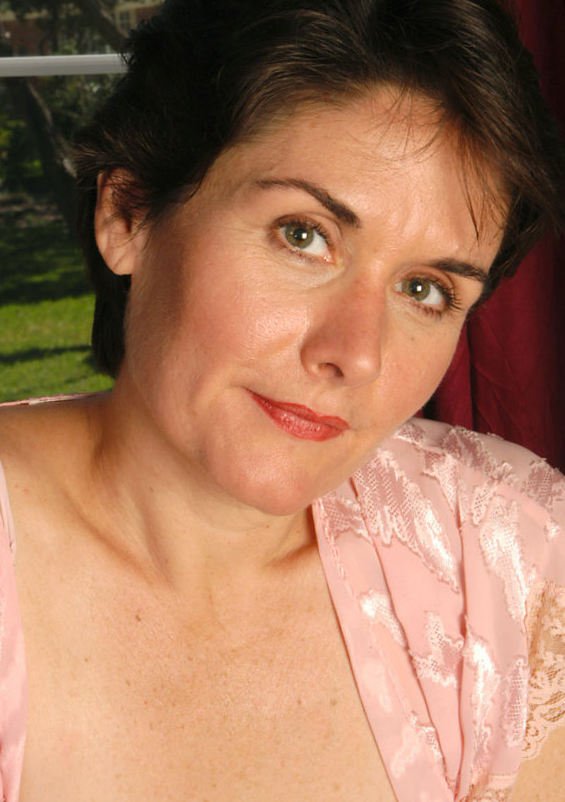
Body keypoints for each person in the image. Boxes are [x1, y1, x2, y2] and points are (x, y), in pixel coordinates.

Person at [0, 0, 563, 800]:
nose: (355, 354)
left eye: (424, 289)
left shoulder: (513, 565)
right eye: (302, 235)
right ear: (127, 213)